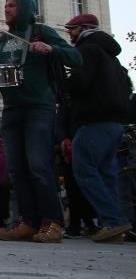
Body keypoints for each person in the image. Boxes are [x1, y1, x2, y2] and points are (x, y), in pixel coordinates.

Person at [0, 0, 81, 244]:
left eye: (12, 6)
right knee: (17, 169)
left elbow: (75, 57)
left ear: (26, 8)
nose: (6, 9)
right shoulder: (3, 39)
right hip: (11, 108)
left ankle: (52, 221)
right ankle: (27, 221)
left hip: (39, 108)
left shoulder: (41, 31)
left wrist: (50, 48)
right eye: (6, 5)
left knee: (39, 165)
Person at [62, 13, 132, 243]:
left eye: (72, 29)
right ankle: (112, 225)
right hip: (114, 122)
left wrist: (63, 82)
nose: (70, 34)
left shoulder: (87, 50)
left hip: (94, 120)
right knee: (106, 174)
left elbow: (80, 82)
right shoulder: (111, 56)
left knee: (84, 170)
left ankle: (113, 220)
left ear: (83, 28)